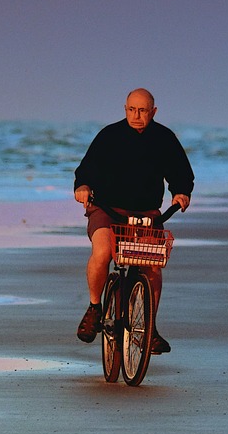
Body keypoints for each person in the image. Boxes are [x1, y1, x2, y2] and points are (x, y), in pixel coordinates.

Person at [73, 88, 194, 354]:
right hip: (107, 208)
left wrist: (181, 192)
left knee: (152, 268)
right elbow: (87, 168)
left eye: (142, 110)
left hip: (146, 213)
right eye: (131, 110)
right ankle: (94, 308)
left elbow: (181, 172)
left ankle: (149, 329)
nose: (136, 115)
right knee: (103, 250)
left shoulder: (164, 138)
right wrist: (82, 186)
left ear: (154, 111)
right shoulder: (109, 135)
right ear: (125, 109)